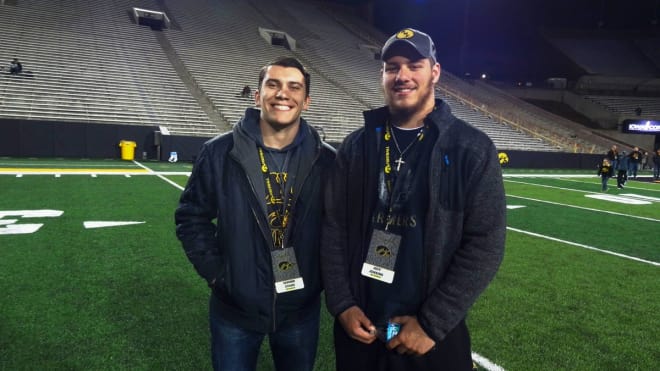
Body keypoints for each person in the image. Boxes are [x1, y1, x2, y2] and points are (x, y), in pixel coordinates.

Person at [321, 28, 506, 371]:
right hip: (361, 327)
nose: (402, 75)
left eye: (414, 65)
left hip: (430, 336)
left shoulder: (471, 149)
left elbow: (486, 243)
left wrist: (432, 323)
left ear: (434, 72)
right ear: (382, 76)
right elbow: (334, 228)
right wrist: (342, 304)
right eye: (392, 66)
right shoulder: (357, 146)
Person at [175, 56, 335, 371]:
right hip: (235, 308)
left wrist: (318, 279)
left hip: (300, 309)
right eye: (273, 84)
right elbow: (191, 217)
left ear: (306, 101)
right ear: (257, 95)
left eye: (294, 87)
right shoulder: (219, 152)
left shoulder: (327, 161)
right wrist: (218, 275)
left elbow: (339, 228)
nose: (282, 93)